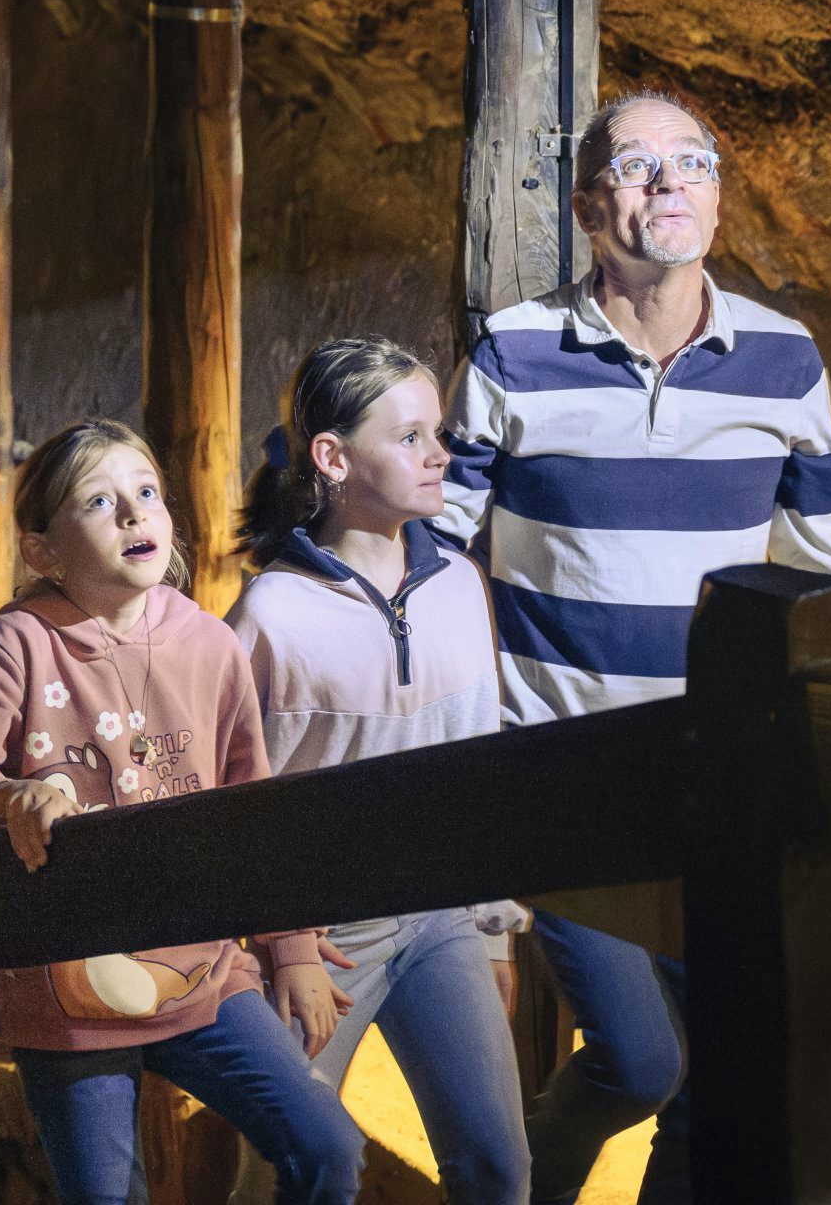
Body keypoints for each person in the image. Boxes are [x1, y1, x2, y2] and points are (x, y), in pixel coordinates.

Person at [437, 90, 831, 1205]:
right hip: (562, 772)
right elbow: (431, 561)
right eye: (636, 168)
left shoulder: (781, 362)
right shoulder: (512, 353)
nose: (667, 183)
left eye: (691, 163)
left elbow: (828, 576)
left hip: (718, 779)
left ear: (717, 200)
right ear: (589, 207)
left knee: (710, 1080)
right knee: (639, 1059)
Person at [0, 419, 365, 1205]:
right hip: (64, 991)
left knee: (328, 1148)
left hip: (206, 972)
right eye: (99, 500)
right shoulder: (16, 645)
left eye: (146, 493)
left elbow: (251, 811)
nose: (134, 514)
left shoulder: (210, 645)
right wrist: (2, 794)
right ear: (44, 551)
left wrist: (291, 950)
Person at [229, 337, 530, 1205]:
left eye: (438, 434)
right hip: (323, 941)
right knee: (295, 1171)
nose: (441, 454)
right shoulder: (270, 616)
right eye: (410, 438)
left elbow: (480, 769)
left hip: (441, 923)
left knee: (498, 1170)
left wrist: (494, 925)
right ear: (331, 457)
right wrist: (282, 947)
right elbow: (232, 802)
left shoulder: (460, 588)